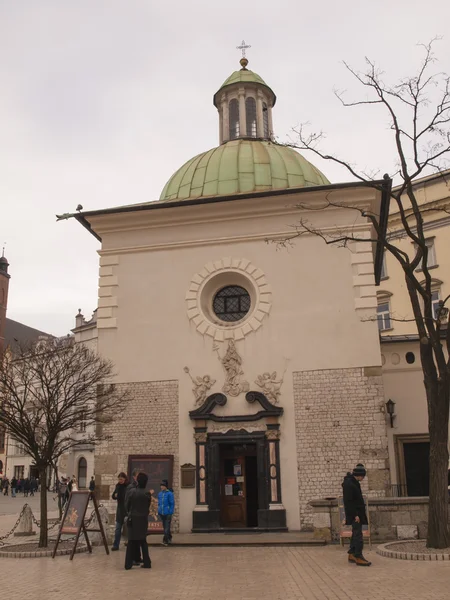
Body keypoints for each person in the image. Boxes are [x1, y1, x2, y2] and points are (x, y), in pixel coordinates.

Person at [342, 463, 371, 566]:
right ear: (359, 475)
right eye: (363, 476)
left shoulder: (354, 482)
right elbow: (349, 501)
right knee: (358, 535)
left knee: (355, 533)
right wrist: (355, 515)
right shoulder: (350, 484)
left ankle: (352, 554)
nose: (363, 478)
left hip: (357, 513)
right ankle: (358, 556)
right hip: (355, 514)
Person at [124, 472, 151, 570]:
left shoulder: (132, 492)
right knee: (143, 541)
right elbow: (147, 506)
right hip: (143, 518)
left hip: (133, 518)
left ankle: (128, 564)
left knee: (131, 541)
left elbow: (127, 505)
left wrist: (130, 513)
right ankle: (147, 562)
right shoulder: (147, 493)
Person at [126, 469, 143, 564]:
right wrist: (129, 512)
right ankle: (132, 558)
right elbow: (127, 502)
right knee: (132, 539)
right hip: (133, 515)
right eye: (137, 476)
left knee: (138, 538)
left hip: (138, 516)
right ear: (134, 477)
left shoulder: (139, 487)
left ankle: (137, 557)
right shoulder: (131, 488)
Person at [111, 472, 128, 551]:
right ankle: (116, 545)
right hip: (120, 510)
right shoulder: (117, 486)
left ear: (124, 479)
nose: (120, 480)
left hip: (127, 510)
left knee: (128, 528)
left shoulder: (128, 486)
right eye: (119, 479)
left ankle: (129, 543)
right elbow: (114, 495)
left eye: (121, 479)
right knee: (118, 528)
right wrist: (115, 495)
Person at [158, 479, 175, 546]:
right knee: (165, 527)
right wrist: (159, 510)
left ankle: (165, 541)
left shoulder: (169, 494)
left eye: (163, 486)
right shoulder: (160, 494)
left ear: (166, 486)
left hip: (168, 513)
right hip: (162, 513)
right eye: (161, 485)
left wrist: (170, 512)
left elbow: (172, 503)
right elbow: (159, 503)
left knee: (167, 527)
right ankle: (169, 537)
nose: (161, 487)